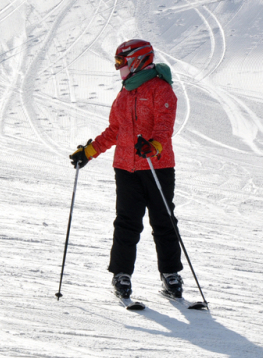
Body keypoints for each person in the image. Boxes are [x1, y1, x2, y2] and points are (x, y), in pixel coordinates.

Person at [69, 39, 183, 300]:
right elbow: (115, 130)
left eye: (121, 62)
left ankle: (171, 274)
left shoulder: (161, 89)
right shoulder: (124, 93)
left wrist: (154, 145)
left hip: (157, 166)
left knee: (164, 221)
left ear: (137, 61)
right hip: (125, 168)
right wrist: (88, 152)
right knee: (126, 223)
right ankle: (122, 275)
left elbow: (164, 127)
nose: (118, 67)